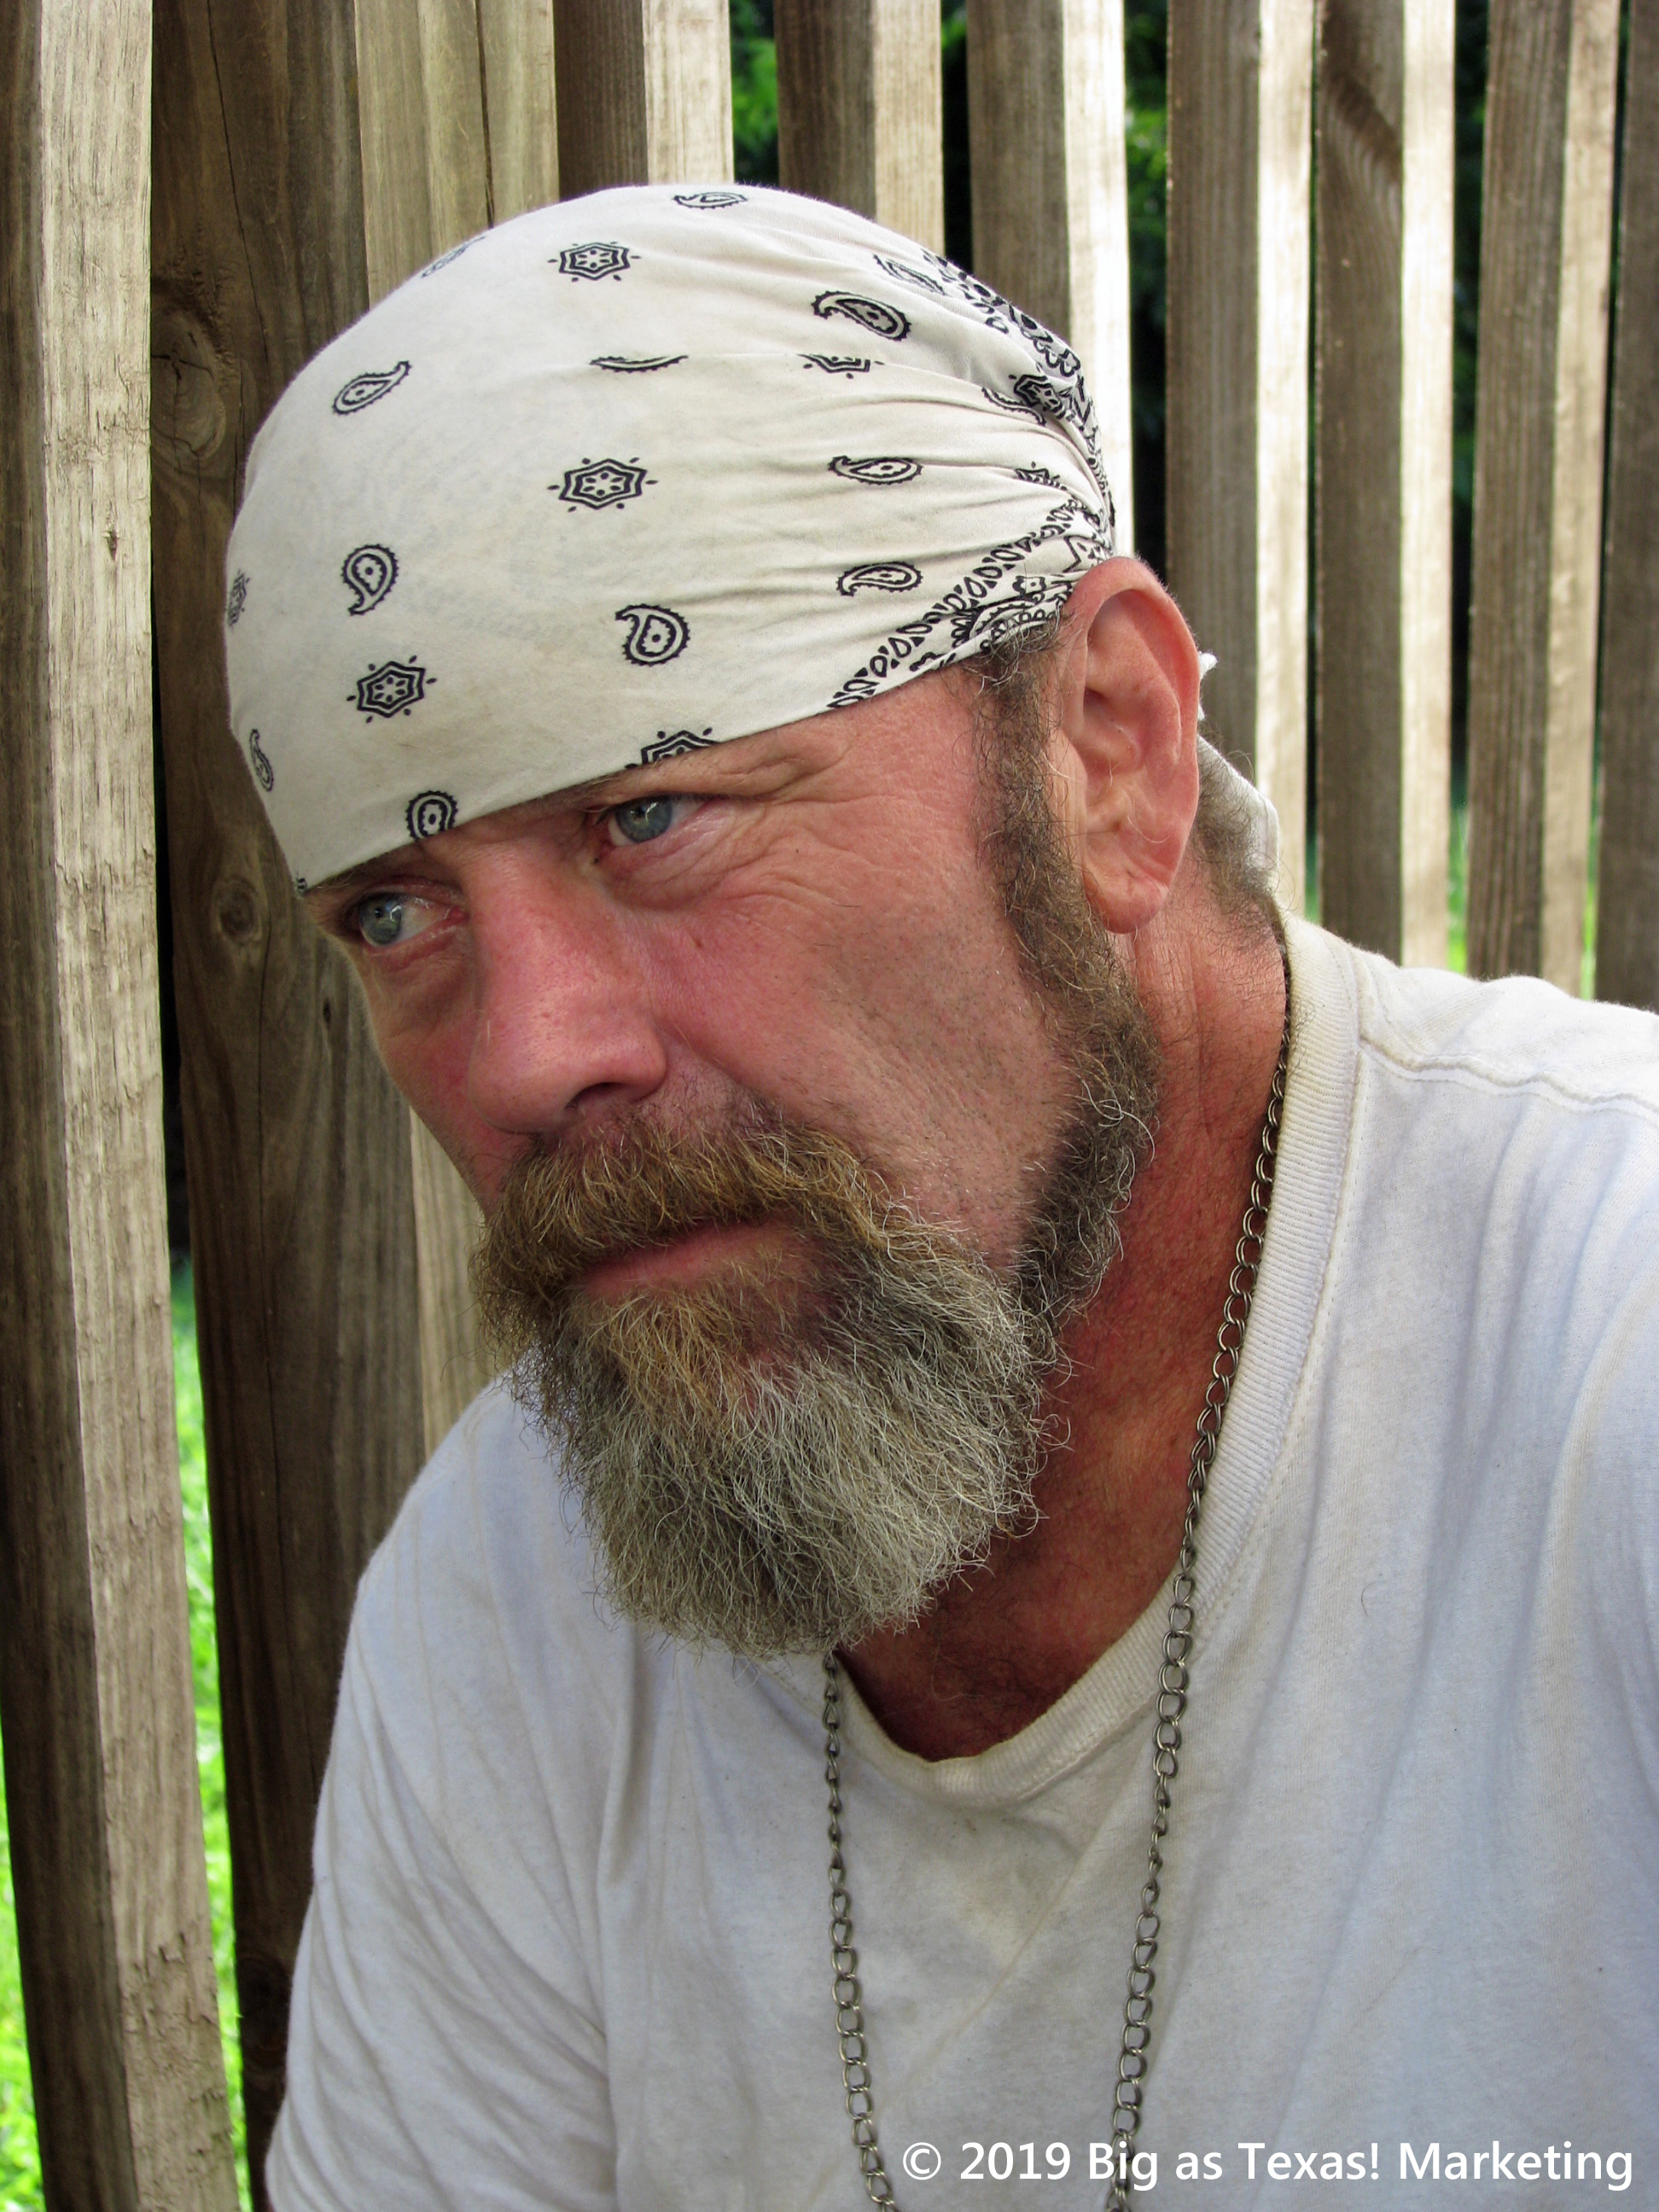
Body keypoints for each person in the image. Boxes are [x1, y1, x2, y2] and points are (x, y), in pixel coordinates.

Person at [224, 186, 1657, 2209]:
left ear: (1108, 752)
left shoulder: (1612, 1360)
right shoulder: (507, 1609)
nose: (530, 1056)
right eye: (396, 912)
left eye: (654, 812)